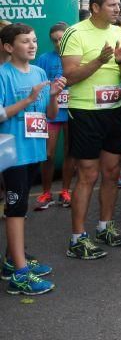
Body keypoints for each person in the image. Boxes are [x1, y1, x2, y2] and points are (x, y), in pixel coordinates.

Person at [62, 0, 121, 259]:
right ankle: (77, 238)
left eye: (118, 4)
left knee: (113, 172)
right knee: (88, 174)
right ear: (94, 7)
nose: (117, 9)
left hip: (113, 109)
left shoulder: (120, 33)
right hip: (84, 111)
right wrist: (99, 61)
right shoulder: (76, 32)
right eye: (112, 5)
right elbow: (69, 76)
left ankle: (105, 226)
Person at [0, 23, 67, 295]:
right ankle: (20, 273)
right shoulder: (3, 75)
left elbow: (50, 115)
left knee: (21, 207)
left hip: (34, 151)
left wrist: (52, 97)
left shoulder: (39, 72)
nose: (32, 45)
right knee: (15, 211)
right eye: (25, 41)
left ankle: (10, 261)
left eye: (34, 40)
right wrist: (28, 100)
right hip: (12, 154)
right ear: (8, 47)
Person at [34, 22, 74, 210]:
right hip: (51, 111)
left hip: (73, 110)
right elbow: (40, 86)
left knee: (69, 151)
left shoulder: (76, 57)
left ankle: (65, 191)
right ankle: (46, 192)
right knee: (48, 154)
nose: (59, 43)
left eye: (62, 39)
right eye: (55, 40)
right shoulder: (44, 59)